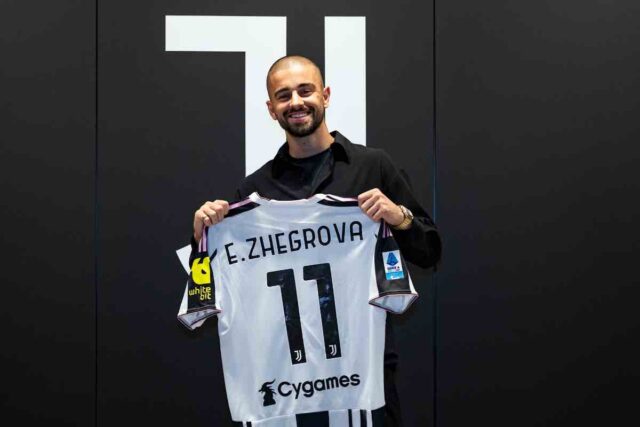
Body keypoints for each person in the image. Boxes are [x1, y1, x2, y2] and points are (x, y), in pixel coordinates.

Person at [191, 55, 441, 426]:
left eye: (305, 91)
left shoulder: (372, 167)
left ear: (325, 95)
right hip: (285, 384)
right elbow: (214, 284)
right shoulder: (254, 191)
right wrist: (203, 237)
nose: (296, 102)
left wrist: (399, 217)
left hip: (363, 375)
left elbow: (430, 251)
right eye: (284, 95)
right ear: (271, 109)